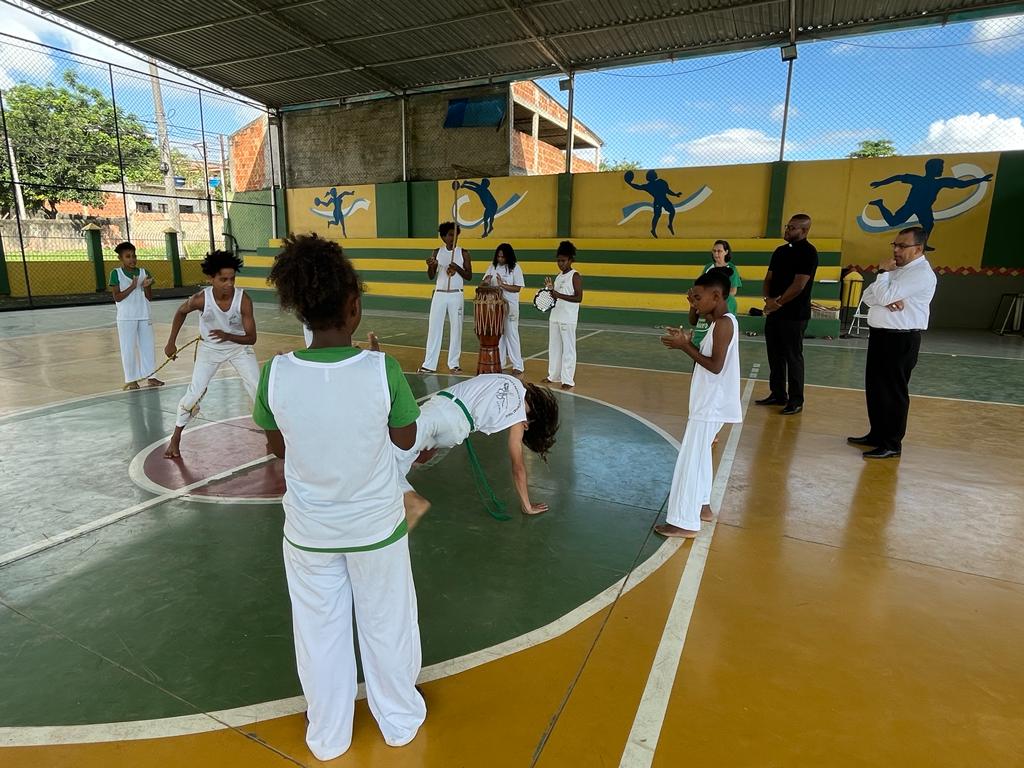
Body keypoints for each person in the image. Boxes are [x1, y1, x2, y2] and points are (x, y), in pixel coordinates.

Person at [253, 234, 426, 760]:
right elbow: (405, 439)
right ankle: (397, 719)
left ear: (299, 310)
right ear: (354, 307)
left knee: (318, 633)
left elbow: (278, 444)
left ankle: (328, 734)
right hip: (376, 529)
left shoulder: (275, 373)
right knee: (387, 623)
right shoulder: (382, 369)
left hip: (309, 534)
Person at [395, 373, 559, 526]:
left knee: (386, 456)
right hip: (457, 429)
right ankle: (405, 477)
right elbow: (518, 467)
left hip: (442, 408)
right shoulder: (519, 418)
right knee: (399, 462)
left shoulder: (511, 380)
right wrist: (526, 506)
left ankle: (411, 500)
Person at [655, 268, 741, 538]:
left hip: (710, 405)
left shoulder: (725, 323)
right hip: (710, 403)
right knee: (701, 457)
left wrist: (684, 346)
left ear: (716, 296)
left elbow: (715, 367)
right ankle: (702, 506)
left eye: (699, 298)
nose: (695, 303)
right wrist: (689, 342)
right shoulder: (719, 322)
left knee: (690, 461)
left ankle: (683, 521)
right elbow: (709, 359)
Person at [848, 226, 936, 459]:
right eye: (894, 245)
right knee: (876, 388)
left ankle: (892, 443)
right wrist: (885, 297)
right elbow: (868, 296)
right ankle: (877, 434)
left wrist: (882, 275)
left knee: (893, 392)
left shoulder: (920, 273)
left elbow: (884, 294)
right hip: (881, 336)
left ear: (918, 249)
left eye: (902, 246)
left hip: (901, 338)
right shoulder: (898, 270)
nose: (896, 249)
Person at [163, 250, 259, 458]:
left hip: (239, 348)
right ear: (211, 279)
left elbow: (251, 338)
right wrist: (171, 342)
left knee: (257, 388)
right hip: (209, 349)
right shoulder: (200, 299)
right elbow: (180, 312)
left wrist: (227, 335)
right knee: (194, 393)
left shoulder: (243, 300)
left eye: (232, 279)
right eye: (223, 279)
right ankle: (175, 439)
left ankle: (274, 433)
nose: (229, 284)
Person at [756, 214, 818, 415]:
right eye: (787, 226)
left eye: (792, 228)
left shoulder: (809, 253)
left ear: (804, 231)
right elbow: (769, 278)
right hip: (775, 311)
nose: (787, 230)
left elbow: (799, 284)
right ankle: (778, 394)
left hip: (795, 314)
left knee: (793, 356)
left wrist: (779, 302)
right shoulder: (780, 251)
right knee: (774, 355)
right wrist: (768, 299)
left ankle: (796, 399)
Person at [868, 158, 992, 238]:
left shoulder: (940, 182)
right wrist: (880, 183)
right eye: (940, 169)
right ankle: (880, 204)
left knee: (928, 225)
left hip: (924, 208)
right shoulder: (917, 179)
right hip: (911, 205)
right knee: (893, 222)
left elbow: (961, 184)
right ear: (932, 169)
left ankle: (923, 245)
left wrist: (981, 179)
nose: (942, 171)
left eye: (942, 169)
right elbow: (897, 177)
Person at [109, 241, 163, 389]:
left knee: (148, 346)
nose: (132, 259)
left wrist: (146, 286)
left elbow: (149, 297)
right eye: (128, 256)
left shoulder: (144, 272)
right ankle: (131, 379)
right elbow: (117, 297)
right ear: (121, 258)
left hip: (144, 314)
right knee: (128, 348)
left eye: (134, 256)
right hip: (126, 317)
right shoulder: (116, 273)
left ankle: (151, 377)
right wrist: (133, 286)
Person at [421, 221, 472, 374]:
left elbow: (469, 276)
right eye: (450, 235)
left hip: (456, 294)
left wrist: (457, 268)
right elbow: (431, 276)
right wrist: (430, 265)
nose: (453, 238)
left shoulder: (463, 253)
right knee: (434, 328)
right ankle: (429, 364)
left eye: (455, 234)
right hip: (440, 294)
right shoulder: (437, 252)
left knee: (457, 329)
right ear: (443, 237)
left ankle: (454, 363)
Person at [542, 241, 584, 390]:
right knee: (554, 347)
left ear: (570, 260)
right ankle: (553, 376)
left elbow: (578, 298)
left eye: (563, 260)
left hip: (568, 318)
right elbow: (555, 297)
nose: (560, 263)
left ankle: (568, 380)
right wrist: (550, 291)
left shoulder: (575, 276)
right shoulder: (559, 276)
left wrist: (557, 294)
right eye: (558, 260)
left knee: (568, 349)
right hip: (555, 316)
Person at [482, 242, 525, 375]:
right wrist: (486, 282)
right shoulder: (492, 267)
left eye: (503, 257)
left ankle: (518, 365)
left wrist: (502, 285)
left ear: (508, 257)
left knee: (511, 333)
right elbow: (483, 284)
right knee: (498, 334)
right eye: (498, 256)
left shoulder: (515, 268)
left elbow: (517, 288)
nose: (500, 259)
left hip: (510, 306)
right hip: (495, 306)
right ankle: (500, 362)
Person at [690, 239, 742, 345]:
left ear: (726, 252)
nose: (716, 253)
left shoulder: (731, 269)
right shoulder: (708, 267)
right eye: (714, 251)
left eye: (719, 251)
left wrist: (712, 302)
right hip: (700, 336)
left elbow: (733, 291)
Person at [625, 169, 684, 238]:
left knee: (672, 211)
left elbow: (667, 190)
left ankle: (669, 224)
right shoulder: (651, 185)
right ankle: (653, 230)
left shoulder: (659, 182)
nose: (656, 174)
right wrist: (630, 183)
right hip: (658, 201)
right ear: (652, 176)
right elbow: (638, 187)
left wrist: (675, 194)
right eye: (654, 173)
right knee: (657, 216)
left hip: (663, 200)